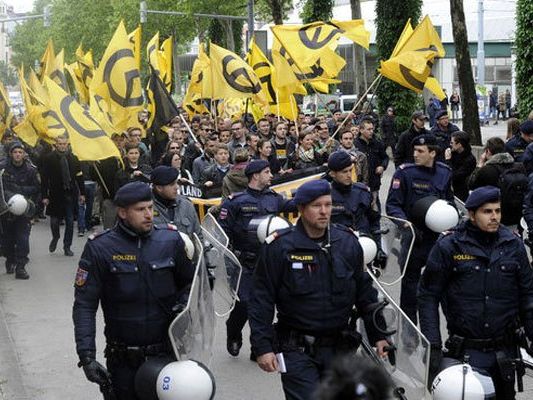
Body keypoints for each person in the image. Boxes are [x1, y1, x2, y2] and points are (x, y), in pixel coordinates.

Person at [249, 180, 389, 400]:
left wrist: (378, 334)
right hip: (297, 350)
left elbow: (365, 293)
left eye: (328, 205)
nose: (324, 212)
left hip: (340, 349)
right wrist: (262, 346)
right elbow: (261, 299)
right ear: (301, 209)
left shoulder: (347, 243)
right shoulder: (279, 247)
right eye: (316, 206)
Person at [72, 181, 195, 400]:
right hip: (123, 361)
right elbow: (84, 305)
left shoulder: (170, 240)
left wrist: (183, 305)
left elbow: (190, 285)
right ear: (122, 212)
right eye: (140, 210)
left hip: (166, 355)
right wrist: (87, 356)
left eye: (150, 207)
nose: (148, 214)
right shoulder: (100, 248)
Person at [418, 186, 533, 399]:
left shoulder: (513, 245)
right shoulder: (450, 246)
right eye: (487, 211)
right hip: (467, 353)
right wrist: (432, 344)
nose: (495, 217)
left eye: (497, 211)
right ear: (471, 214)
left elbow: (528, 294)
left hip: (504, 351)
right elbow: (427, 296)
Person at [218, 159, 293, 360]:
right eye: (267, 172)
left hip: (268, 261)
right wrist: (228, 260)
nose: (271, 175)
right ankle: (233, 331)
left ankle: (258, 348)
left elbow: (292, 206)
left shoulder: (273, 198)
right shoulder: (235, 202)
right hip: (244, 263)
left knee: (264, 305)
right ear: (255, 176)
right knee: (244, 304)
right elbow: (222, 232)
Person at [386, 134, 454, 325]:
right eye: (414, 150)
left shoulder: (444, 172)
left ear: (432, 153)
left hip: (438, 239)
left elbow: (449, 202)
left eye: (420, 151)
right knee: (410, 288)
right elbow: (393, 205)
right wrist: (404, 223)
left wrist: (451, 225)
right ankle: (409, 333)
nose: (415, 154)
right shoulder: (404, 173)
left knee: (444, 285)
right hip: (414, 237)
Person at [41, 136, 86, 257]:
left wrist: (82, 193)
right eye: (60, 144)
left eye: (64, 144)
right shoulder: (49, 159)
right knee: (54, 221)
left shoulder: (73, 158)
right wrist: (44, 196)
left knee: (70, 222)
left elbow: (79, 177)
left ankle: (67, 246)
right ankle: (55, 237)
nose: (62, 146)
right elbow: (44, 179)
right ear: (56, 145)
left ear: (68, 145)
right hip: (55, 195)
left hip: (70, 194)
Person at [0, 142, 40, 279]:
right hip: (7, 210)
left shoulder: (31, 170)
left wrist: (33, 208)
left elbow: (36, 189)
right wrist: (9, 197)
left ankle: (21, 266)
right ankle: (10, 260)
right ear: (11, 154)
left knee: (23, 238)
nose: (18, 154)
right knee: (8, 239)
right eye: (15, 152)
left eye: (20, 152)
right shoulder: (3, 169)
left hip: (24, 210)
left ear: (24, 154)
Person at [327, 151, 381, 246]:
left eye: (350, 170)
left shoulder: (363, 191)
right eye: (344, 172)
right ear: (332, 174)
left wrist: (378, 246)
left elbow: (374, 221)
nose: (349, 175)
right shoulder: (325, 196)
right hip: (339, 246)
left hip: (366, 244)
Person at [151, 166, 202, 237]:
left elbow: (198, 235)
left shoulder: (187, 205)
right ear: (159, 188)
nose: (177, 187)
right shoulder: (146, 208)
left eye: (177, 183)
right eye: (172, 184)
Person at [354, 119, 389, 212]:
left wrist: (382, 166)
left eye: (372, 129)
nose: (371, 132)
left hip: (374, 183)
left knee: (375, 210)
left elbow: (385, 157)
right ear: (361, 130)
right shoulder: (355, 145)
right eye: (368, 129)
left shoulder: (377, 143)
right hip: (360, 184)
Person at [445, 131, 476, 202]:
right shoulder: (454, 154)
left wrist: (448, 161)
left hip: (462, 193)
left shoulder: (469, 160)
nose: (450, 145)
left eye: (452, 143)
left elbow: (453, 175)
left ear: (459, 144)